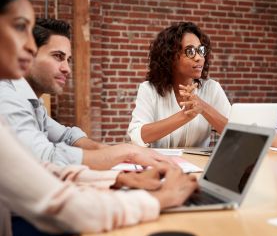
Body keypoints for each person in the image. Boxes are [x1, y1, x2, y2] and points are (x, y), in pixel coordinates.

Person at [0, 0, 197, 236]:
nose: (29, 45)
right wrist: (158, 198)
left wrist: (117, 181)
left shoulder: (24, 98)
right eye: (20, 27)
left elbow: (42, 168)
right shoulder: (6, 94)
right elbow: (58, 197)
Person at [0, 17, 172, 170]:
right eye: (57, 56)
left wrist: (111, 150)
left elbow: (67, 136)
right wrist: (127, 152)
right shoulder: (7, 98)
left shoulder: (32, 102)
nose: (66, 69)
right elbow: (47, 158)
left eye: (68, 60)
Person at [127, 22, 231, 148]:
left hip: (198, 166)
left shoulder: (212, 89)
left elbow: (236, 134)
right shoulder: (149, 89)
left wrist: (203, 107)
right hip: (161, 164)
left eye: (200, 50)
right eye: (190, 51)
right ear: (170, 57)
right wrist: (184, 116)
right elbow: (137, 136)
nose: (199, 57)